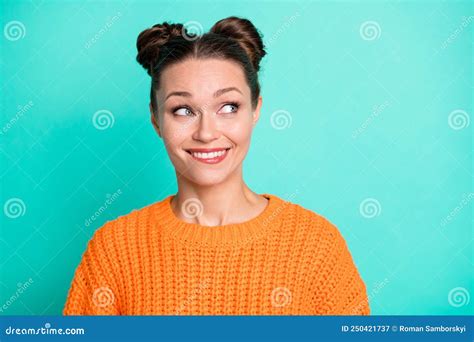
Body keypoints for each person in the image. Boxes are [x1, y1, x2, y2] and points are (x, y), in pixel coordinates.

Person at [63, 16, 370, 315]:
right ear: (156, 119)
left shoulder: (316, 246)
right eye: (183, 110)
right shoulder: (115, 249)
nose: (206, 133)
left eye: (228, 107)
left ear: (255, 110)